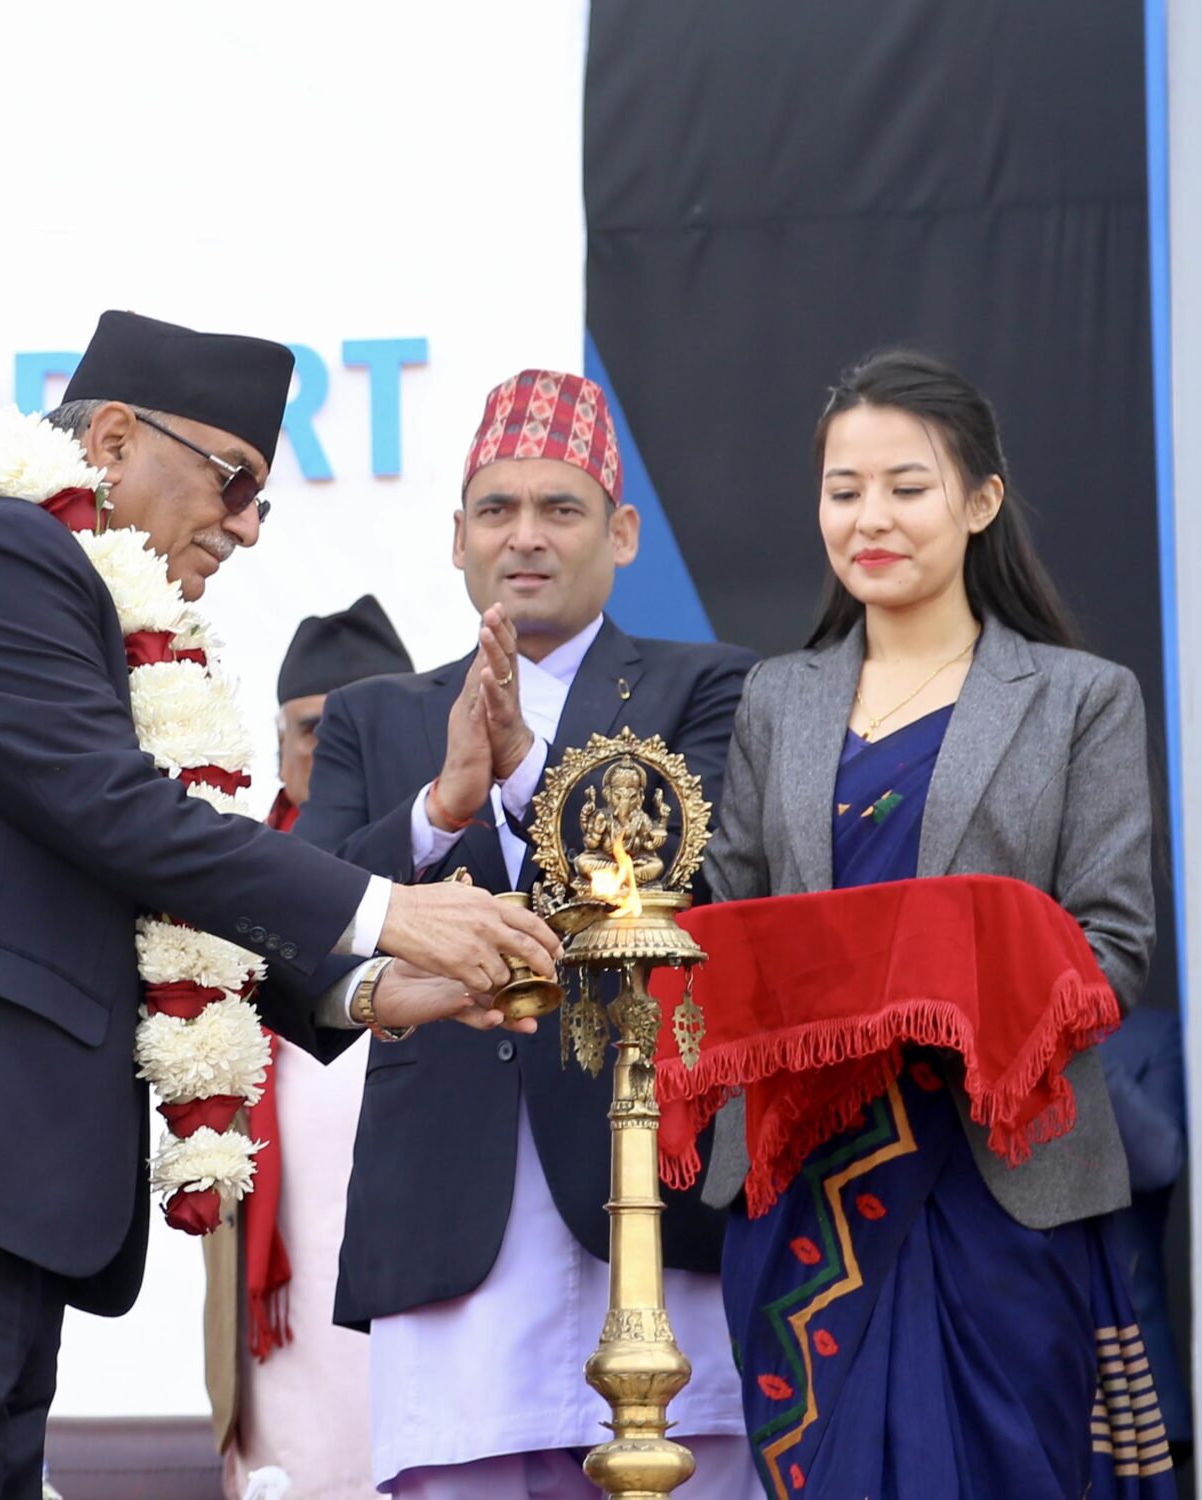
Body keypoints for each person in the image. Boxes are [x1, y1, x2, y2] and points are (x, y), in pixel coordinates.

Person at [0, 310, 563, 1498]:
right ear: (112, 439)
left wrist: (371, 987)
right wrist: (388, 912)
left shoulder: (95, 612)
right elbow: (118, 815)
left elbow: (136, 873)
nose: (247, 526)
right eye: (233, 481)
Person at [700, 349, 1175, 1496]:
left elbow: (1112, 949)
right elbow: (726, 921)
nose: (869, 518)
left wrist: (963, 980)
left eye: (906, 487)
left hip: (996, 1180)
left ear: (979, 502)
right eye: (843, 490)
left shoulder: (1080, 698)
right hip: (804, 1184)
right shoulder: (775, 699)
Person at [297, 369, 759, 1498]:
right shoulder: (374, 717)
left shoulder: (712, 688)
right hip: (449, 1228)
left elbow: (695, 881)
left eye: (561, 508)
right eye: (497, 509)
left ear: (622, 533)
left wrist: (523, 776)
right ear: (458, 536)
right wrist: (438, 807)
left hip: (648, 1200)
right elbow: (300, 935)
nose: (526, 536)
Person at [206, 596, 415, 1498]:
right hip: (284, 1278)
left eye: (358, 730)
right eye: (313, 730)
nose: (333, 752)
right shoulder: (228, 886)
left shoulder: (462, 877)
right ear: (280, 744)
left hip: (427, 1248)